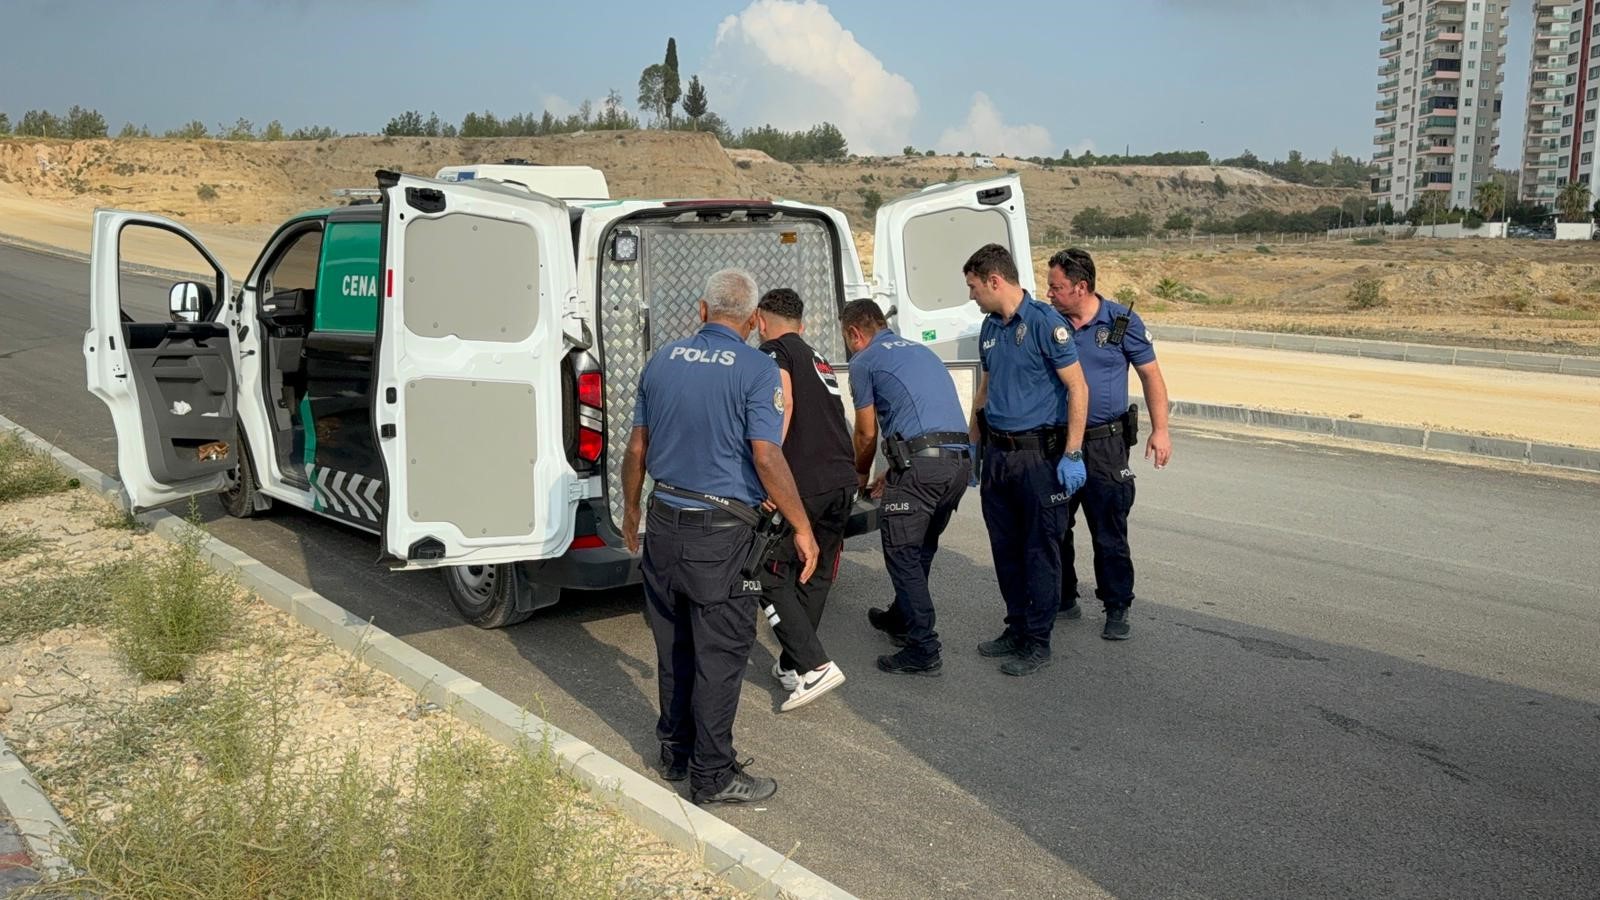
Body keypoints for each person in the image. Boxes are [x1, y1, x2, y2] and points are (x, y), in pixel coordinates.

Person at [620, 268, 820, 805]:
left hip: (663, 523)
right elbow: (766, 454)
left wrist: (632, 509)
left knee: (675, 646)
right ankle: (712, 775)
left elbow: (637, 448)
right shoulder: (756, 369)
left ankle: (675, 752)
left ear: (702, 311)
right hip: (722, 537)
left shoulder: (661, 361)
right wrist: (802, 527)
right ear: (754, 320)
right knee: (721, 654)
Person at [965, 243, 1089, 676]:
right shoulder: (989, 328)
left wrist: (1072, 453)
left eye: (974, 287)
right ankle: (1015, 626)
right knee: (1006, 549)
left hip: (1038, 457)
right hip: (999, 455)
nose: (972, 295)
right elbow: (987, 386)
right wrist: (972, 443)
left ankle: (1037, 640)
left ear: (995, 281)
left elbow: (1078, 388)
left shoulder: (1044, 323)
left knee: (1040, 551)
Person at [1044, 248, 1172, 641]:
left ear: (1081, 287)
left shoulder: (1121, 321)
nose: (1049, 294)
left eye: (1057, 286)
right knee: (1054, 526)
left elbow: (1151, 376)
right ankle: (1063, 597)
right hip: (1057, 443)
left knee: (1109, 530)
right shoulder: (1048, 321)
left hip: (1104, 445)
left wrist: (1160, 430)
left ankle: (1117, 606)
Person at [842, 299, 971, 677]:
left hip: (922, 466)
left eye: (847, 338)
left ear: (855, 333)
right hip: (956, 463)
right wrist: (895, 472)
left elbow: (866, 431)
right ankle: (901, 617)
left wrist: (859, 478)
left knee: (901, 552)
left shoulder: (864, 361)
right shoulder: (921, 351)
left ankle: (923, 647)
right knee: (920, 547)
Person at [754, 288, 857, 711]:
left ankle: (814, 666)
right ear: (803, 321)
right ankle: (793, 664)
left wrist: (769, 470)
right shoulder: (819, 358)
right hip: (840, 480)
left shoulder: (773, 352)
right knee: (813, 573)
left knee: (763, 569)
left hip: (805, 483)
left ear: (761, 319)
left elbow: (785, 403)